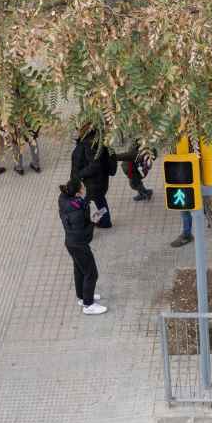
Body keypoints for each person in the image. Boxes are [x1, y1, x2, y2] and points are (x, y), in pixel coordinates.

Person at [59, 177, 106, 315]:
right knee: (91, 273)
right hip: (79, 244)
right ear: (78, 193)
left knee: (79, 269)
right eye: (82, 187)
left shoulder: (63, 199)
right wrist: (93, 222)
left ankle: (82, 296)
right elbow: (84, 234)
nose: (84, 188)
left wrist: (84, 205)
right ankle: (89, 305)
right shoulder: (79, 210)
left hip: (70, 242)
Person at [70, 126, 118, 229]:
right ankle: (105, 221)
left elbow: (94, 165)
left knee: (84, 204)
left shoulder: (89, 144)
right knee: (100, 201)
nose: (75, 132)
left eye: (77, 129)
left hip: (93, 183)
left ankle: (86, 226)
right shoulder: (96, 137)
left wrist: (79, 174)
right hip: (100, 180)